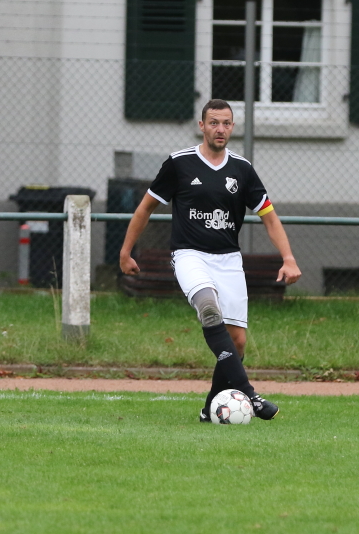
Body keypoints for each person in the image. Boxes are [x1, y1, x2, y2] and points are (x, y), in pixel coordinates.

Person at [120, 99, 302, 422]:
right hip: (189, 255)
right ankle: (250, 394)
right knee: (208, 308)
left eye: (226, 123)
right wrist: (125, 251)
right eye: (214, 122)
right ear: (202, 125)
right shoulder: (179, 164)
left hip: (228, 260)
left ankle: (209, 409)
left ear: (232, 127)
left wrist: (288, 258)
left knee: (238, 341)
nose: (220, 129)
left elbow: (269, 217)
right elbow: (145, 208)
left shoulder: (242, 169)